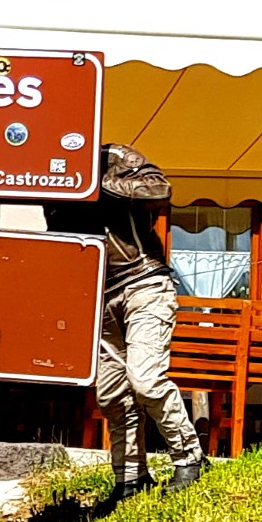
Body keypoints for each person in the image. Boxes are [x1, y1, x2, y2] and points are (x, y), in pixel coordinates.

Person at [49, 142, 205, 494]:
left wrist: (96, 183)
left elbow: (160, 189)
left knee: (145, 379)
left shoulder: (114, 157)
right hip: (100, 294)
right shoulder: (49, 174)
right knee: (111, 394)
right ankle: (130, 478)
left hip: (145, 281)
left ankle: (189, 457)